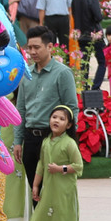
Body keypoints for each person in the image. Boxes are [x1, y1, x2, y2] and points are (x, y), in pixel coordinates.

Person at [15, 26, 79, 199]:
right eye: (29, 48)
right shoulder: (26, 73)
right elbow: (20, 109)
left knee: (54, 194)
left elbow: (72, 108)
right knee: (36, 193)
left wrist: (67, 142)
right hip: (30, 140)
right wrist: (18, 141)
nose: (32, 52)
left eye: (37, 47)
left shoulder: (62, 73)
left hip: (52, 139)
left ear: (50, 47)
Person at [24, 104, 84, 221]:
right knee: (44, 216)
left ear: (69, 125)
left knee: (64, 218)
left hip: (64, 190)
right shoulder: (45, 142)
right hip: (48, 189)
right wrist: (36, 186)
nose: (56, 121)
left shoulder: (69, 143)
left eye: (62, 119)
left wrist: (60, 168)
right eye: (54, 117)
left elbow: (79, 166)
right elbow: (41, 165)